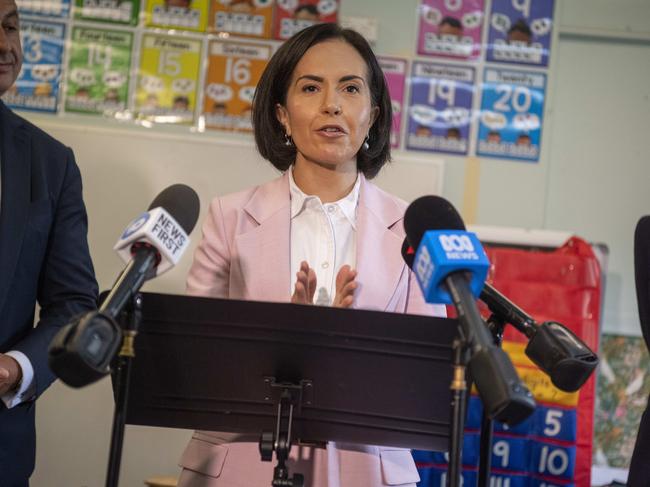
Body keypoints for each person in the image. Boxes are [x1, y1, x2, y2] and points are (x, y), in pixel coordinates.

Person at [177, 22, 445, 487]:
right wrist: (286, 341)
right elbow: (196, 365)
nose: (332, 104)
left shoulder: (414, 229)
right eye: (310, 87)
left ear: (373, 115)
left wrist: (342, 345)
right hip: (241, 464)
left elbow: (426, 381)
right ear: (282, 114)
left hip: (368, 469)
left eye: (350, 87)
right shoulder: (230, 216)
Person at [0, 0, 98, 484]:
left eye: (11, 27)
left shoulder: (51, 164)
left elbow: (74, 305)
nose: (4, 45)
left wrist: (16, 368)